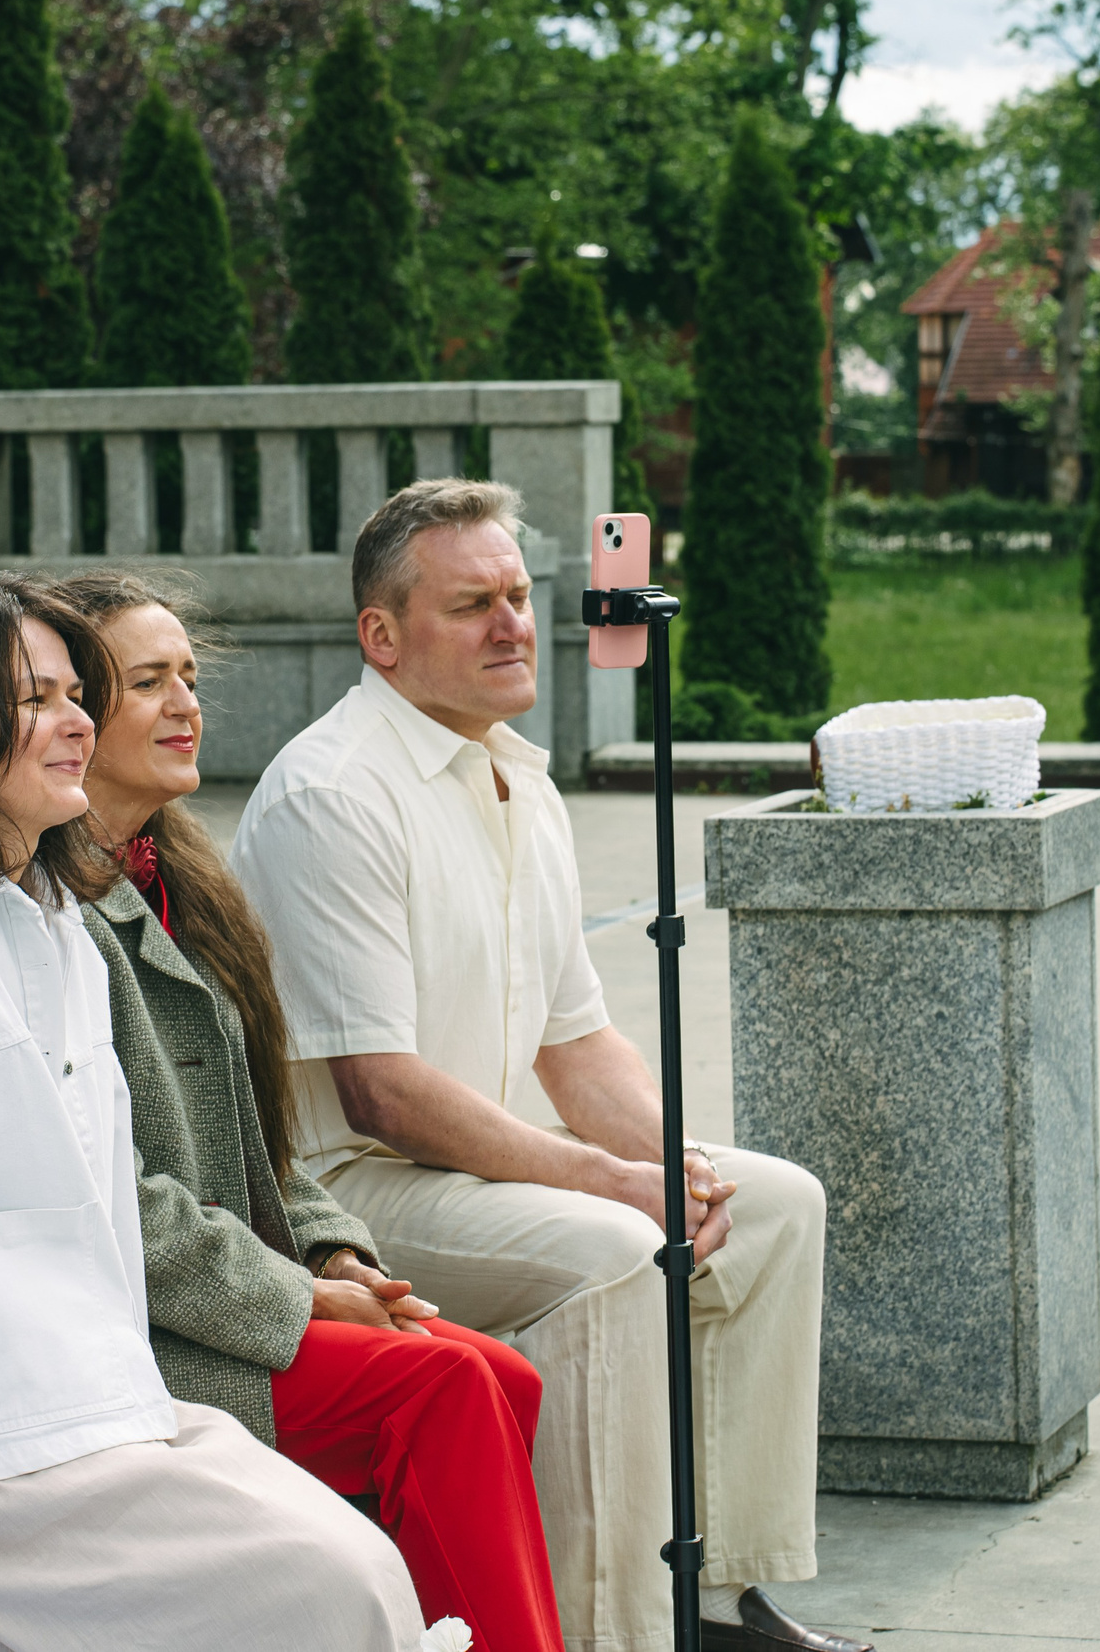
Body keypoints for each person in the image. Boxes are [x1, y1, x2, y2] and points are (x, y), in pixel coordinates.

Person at [230, 482, 866, 1652]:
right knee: (621, 1252)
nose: (513, 625)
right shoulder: (331, 795)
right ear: (382, 635)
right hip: (350, 1191)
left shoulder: (521, 774)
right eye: (472, 604)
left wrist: (674, 1164)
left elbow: (577, 1045)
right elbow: (384, 1093)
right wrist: (615, 1185)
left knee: (771, 1206)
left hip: (480, 1163)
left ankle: (714, 1597)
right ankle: (601, 1626)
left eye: (518, 596)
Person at [0, 573, 429, 1652]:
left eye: (77, 695)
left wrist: (135, 1408)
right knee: (324, 1586)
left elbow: (94, 1209)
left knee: (354, 1566)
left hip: (83, 1400)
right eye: (35, 700)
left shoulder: (49, 918)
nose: (76, 722)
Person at [59, 572, 566, 1652]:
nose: (186, 703)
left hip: (242, 1285)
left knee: (502, 1376)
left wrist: (334, 1256)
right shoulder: (45, 913)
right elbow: (99, 1196)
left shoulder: (180, 878)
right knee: (440, 1392)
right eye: (146, 682)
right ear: (69, 714)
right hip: (142, 1328)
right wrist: (297, 1297)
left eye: (188, 676)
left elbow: (262, 1134)